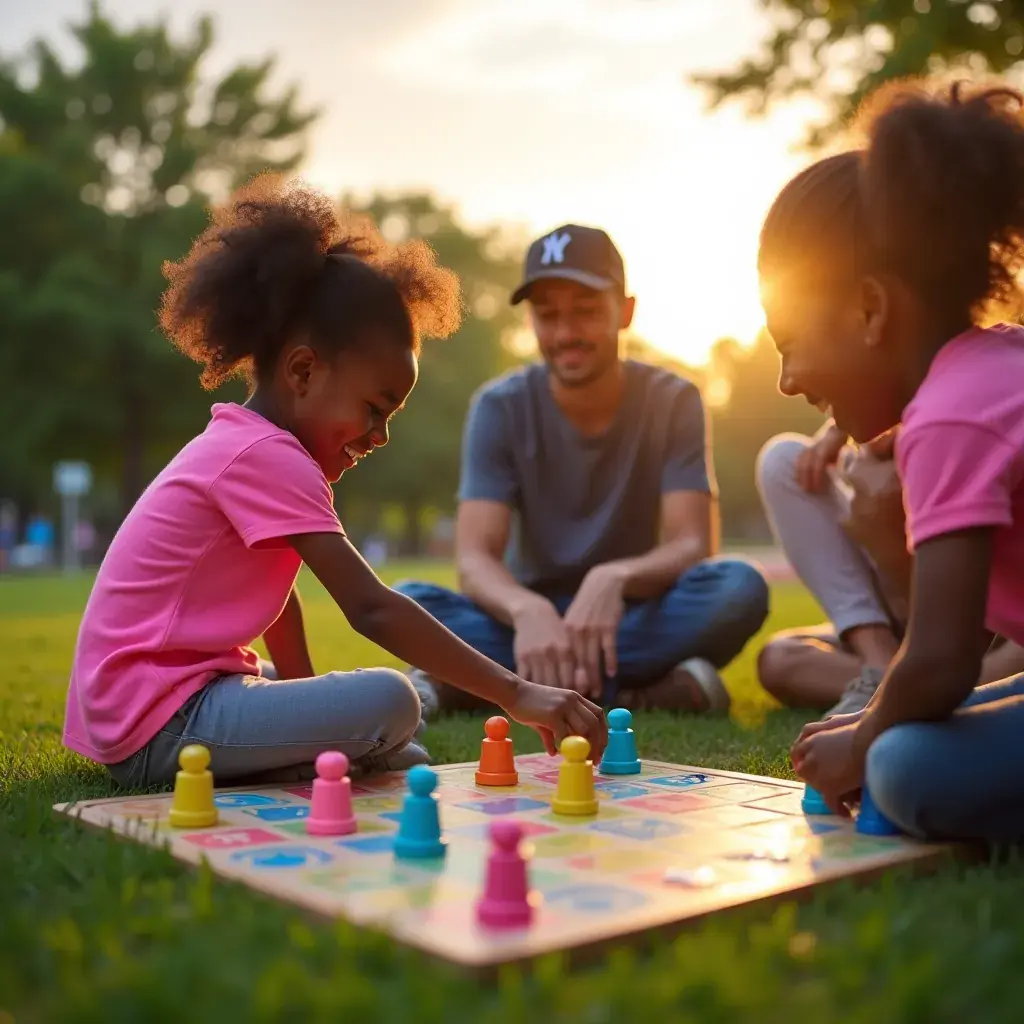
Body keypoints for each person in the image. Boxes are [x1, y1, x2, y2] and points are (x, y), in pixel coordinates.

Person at [62, 177, 607, 788]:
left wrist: (305, 701)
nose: (380, 436)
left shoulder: (246, 443)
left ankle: (333, 754)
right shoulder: (269, 455)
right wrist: (515, 691)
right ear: (302, 371)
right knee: (392, 701)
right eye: (375, 408)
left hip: (147, 708)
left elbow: (279, 598)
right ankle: (342, 754)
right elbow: (371, 608)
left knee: (341, 705)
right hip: (159, 721)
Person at [758, 76, 1024, 842]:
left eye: (790, 344)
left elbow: (941, 663)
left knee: (905, 765)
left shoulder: (951, 416)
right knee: (927, 727)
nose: (788, 380)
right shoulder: (986, 374)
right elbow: (963, 652)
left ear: (870, 310)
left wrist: (864, 742)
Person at [396, 224, 769, 716]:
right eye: (548, 317)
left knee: (738, 589)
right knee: (407, 604)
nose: (565, 334)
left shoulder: (674, 399)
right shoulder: (499, 406)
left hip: (630, 614)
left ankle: (485, 684)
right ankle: (646, 694)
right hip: (526, 622)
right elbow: (475, 559)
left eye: (586, 312)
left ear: (626, 312)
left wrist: (615, 577)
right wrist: (528, 610)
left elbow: (693, 543)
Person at [758, 420, 1024, 715]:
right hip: (904, 629)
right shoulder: (880, 449)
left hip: (964, 641)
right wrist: (839, 428)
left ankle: (894, 683)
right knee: (779, 659)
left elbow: (971, 657)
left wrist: (888, 547)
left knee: (902, 745)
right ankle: (880, 662)